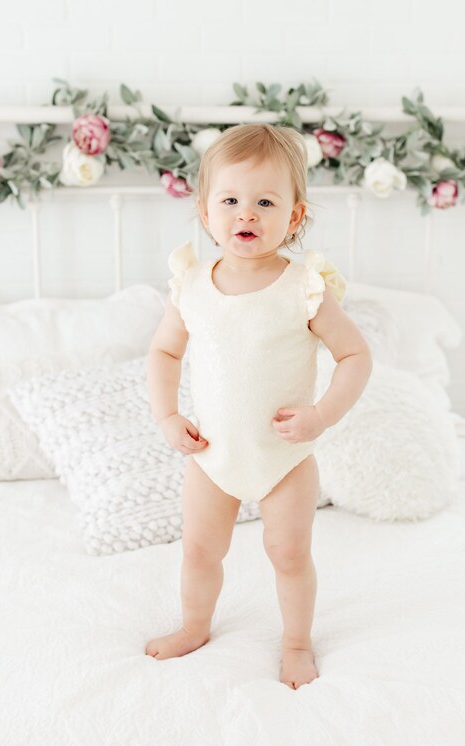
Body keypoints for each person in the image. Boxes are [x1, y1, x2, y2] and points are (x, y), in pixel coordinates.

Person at [144, 123, 373, 690]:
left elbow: (355, 356)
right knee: (199, 551)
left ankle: (296, 643)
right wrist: (168, 416)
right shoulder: (191, 286)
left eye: (265, 202)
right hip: (213, 456)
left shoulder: (304, 288)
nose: (246, 214)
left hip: (283, 460)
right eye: (230, 201)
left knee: (289, 554)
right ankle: (195, 626)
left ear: (294, 216)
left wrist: (321, 414)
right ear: (205, 211)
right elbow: (165, 351)